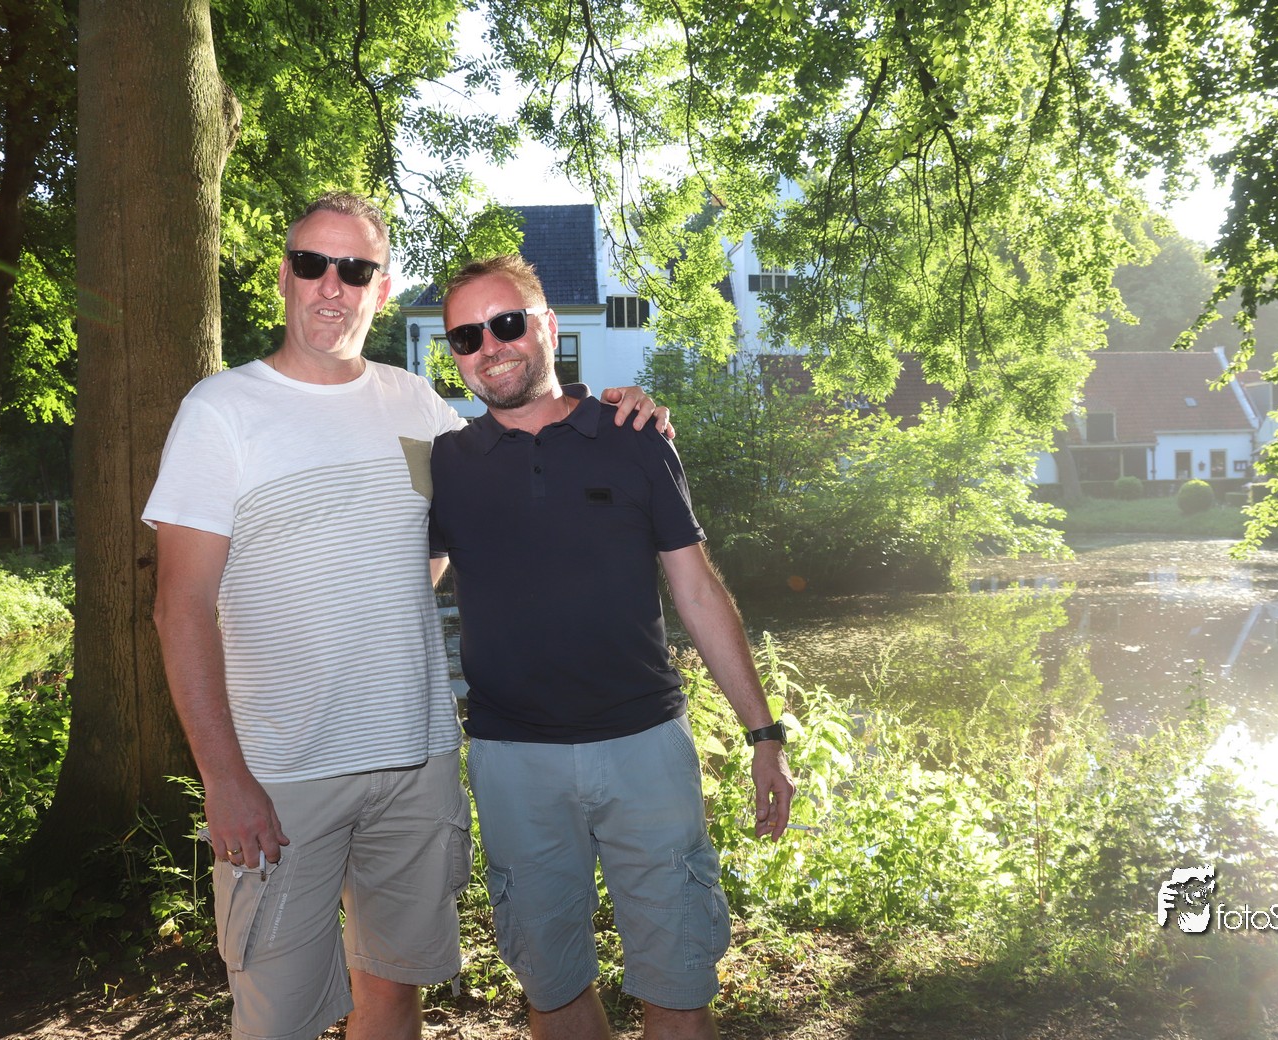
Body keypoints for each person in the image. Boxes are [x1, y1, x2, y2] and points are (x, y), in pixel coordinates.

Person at [144, 193, 668, 1040]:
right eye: (312, 263)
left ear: (381, 290)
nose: (331, 285)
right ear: (284, 275)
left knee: (391, 993)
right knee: (277, 1019)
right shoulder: (221, 410)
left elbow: (512, 464)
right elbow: (179, 606)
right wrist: (224, 777)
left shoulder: (416, 405)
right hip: (283, 772)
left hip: (415, 760)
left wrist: (622, 418)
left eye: (355, 270)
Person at [428, 254, 797, 1040]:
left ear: (548, 326)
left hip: (645, 752)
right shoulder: (445, 465)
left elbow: (698, 593)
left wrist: (764, 734)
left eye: (506, 323)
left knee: (680, 982)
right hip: (513, 762)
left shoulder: (635, 437)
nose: (489, 347)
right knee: (552, 985)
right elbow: (397, 591)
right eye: (466, 336)